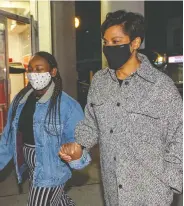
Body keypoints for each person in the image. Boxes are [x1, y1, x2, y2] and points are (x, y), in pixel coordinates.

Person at [59, 10, 183, 206]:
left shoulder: (161, 87)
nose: (108, 48)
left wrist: (171, 180)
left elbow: (180, 134)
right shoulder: (100, 82)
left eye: (116, 42)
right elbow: (91, 125)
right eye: (105, 42)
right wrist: (79, 146)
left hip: (152, 194)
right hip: (113, 193)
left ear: (134, 43)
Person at [0, 51, 91, 206]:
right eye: (30, 69)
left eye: (39, 69)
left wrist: (76, 155)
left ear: (53, 72)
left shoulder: (67, 105)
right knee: (57, 201)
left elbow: (79, 141)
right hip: (32, 167)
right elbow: (8, 138)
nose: (33, 73)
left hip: (51, 170)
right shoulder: (20, 101)